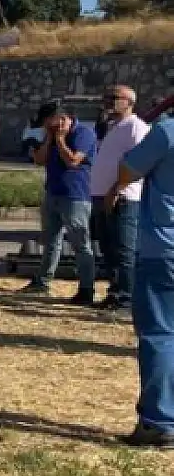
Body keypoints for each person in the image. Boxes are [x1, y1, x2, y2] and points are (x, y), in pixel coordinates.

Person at [114, 111, 174, 448]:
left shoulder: (167, 132)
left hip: (164, 248)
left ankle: (159, 421)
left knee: (161, 334)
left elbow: (127, 171)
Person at [23, 99, 98, 303]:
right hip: (53, 193)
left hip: (75, 195)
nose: (46, 126)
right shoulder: (50, 135)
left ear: (62, 118)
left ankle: (86, 288)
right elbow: (39, 160)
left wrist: (62, 139)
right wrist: (49, 140)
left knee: (80, 244)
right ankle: (42, 282)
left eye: (48, 122)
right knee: (51, 241)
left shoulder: (83, 133)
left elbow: (73, 161)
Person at [94, 85, 148, 313]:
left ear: (129, 102)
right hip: (103, 196)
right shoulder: (113, 127)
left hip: (123, 198)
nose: (107, 101)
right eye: (106, 97)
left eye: (113, 98)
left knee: (125, 250)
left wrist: (116, 189)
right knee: (109, 249)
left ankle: (127, 299)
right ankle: (115, 293)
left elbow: (139, 164)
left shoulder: (136, 127)